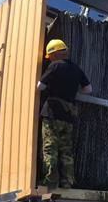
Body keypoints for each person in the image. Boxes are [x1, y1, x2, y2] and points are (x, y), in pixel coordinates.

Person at [38, 39, 92, 189]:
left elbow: (40, 86)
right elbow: (88, 90)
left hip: (52, 112)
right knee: (66, 150)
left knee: (50, 147)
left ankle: (50, 181)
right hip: (68, 116)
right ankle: (67, 181)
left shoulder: (54, 66)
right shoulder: (76, 69)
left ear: (54, 54)